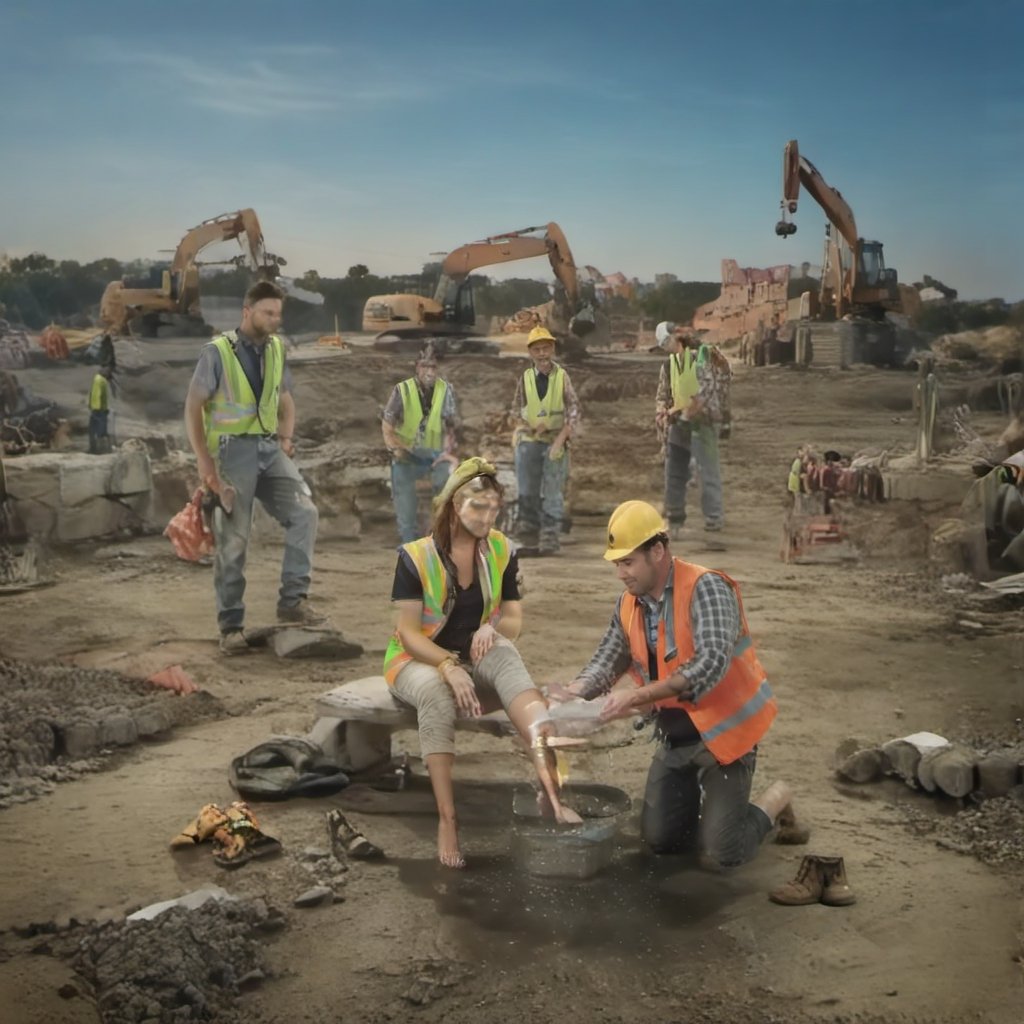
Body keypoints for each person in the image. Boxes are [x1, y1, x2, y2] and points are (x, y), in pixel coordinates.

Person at [550, 500, 807, 868]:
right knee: (661, 843)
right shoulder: (630, 603)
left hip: (724, 741)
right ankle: (713, 809)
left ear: (657, 551)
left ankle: (776, 799)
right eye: (617, 564)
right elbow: (607, 660)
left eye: (627, 562)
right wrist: (574, 693)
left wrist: (641, 695)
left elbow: (711, 663)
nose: (620, 573)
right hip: (676, 740)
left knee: (722, 854)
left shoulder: (707, 587)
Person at [383, 456, 580, 869]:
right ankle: (448, 819)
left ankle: (552, 793)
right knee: (436, 694)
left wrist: (496, 630)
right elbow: (409, 635)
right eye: (478, 506)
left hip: (476, 653)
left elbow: (513, 618)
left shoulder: (502, 550)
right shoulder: (415, 557)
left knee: (508, 657)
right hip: (416, 660)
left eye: (494, 507)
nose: (488, 516)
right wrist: (448, 666)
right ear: (455, 505)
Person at [184, 280, 323, 656]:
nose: (275, 320)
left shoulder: (276, 348)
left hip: (268, 448)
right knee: (235, 540)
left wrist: (286, 440)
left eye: (278, 313)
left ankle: (292, 601)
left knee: (305, 513)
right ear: (247, 312)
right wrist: (204, 460)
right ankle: (231, 626)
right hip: (232, 453)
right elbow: (193, 408)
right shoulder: (217, 353)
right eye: (268, 312)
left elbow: (286, 400)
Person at [509, 326, 582, 556]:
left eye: (546, 348)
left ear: (552, 349)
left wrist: (561, 439)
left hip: (554, 441)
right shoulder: (526, 378)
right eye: (537, 349)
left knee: (553, 490)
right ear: (530, 352)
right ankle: (528, 537)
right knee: (527, 490)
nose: (542, 354)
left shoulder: (562, 377)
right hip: (530, 440)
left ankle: (550, 537)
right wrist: (528, 425)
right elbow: (515, 411)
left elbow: (574, 410)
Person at [381, 349, 459, 543]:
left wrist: (448, 454)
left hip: (436, 456)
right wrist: (396, 448)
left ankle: (439, 536)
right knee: (404, 488)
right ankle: (407, 539)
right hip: (408, 455)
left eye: (433, 366)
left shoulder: (446, 390)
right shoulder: (402, 390)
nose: (429, 371)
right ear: (417, 367)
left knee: (447, 482)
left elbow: (451, 428)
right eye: (425, 366)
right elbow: (387, 427)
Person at [87, 364, 113, 454]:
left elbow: (95, 394)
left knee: (94, 430)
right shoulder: (101, 380)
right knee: (101, 430)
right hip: (100, 409)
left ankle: (95, 449)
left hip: (98, 409)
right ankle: (101, 449)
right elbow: (98, 395)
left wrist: (93, 406)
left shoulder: (98, 379)